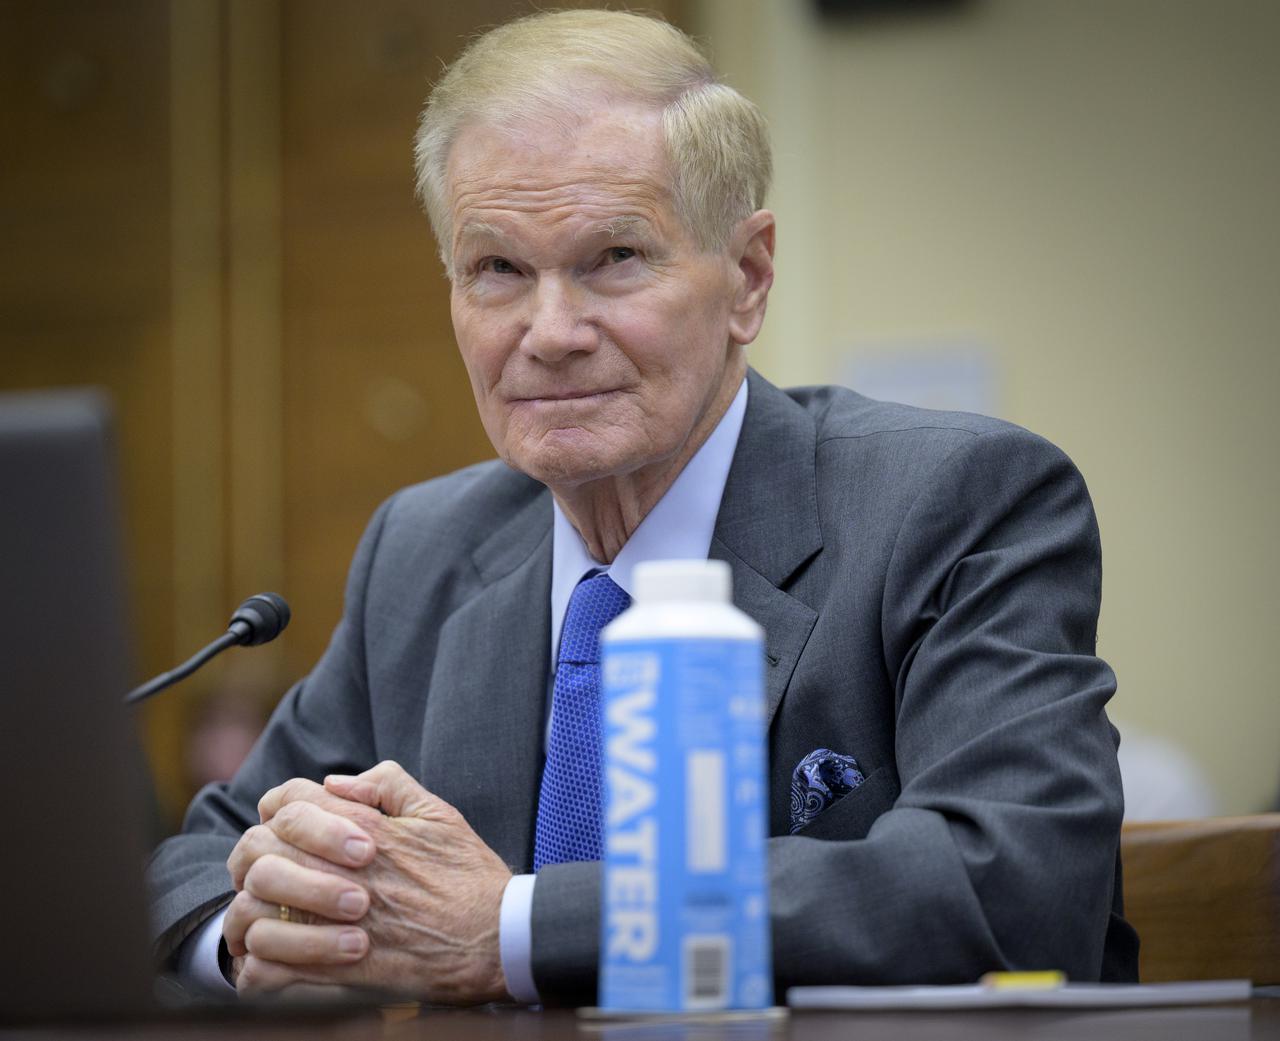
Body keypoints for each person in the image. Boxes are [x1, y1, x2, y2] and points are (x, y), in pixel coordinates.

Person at [148, 9, 1138, 1005]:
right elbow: (188, 867)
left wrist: (509, 929)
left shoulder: (952, 503)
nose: (549, 332)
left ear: (746, 278)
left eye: (613, 258)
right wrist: (257, 939)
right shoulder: (425, 548)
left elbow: (1009, 882)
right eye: (496, 270)